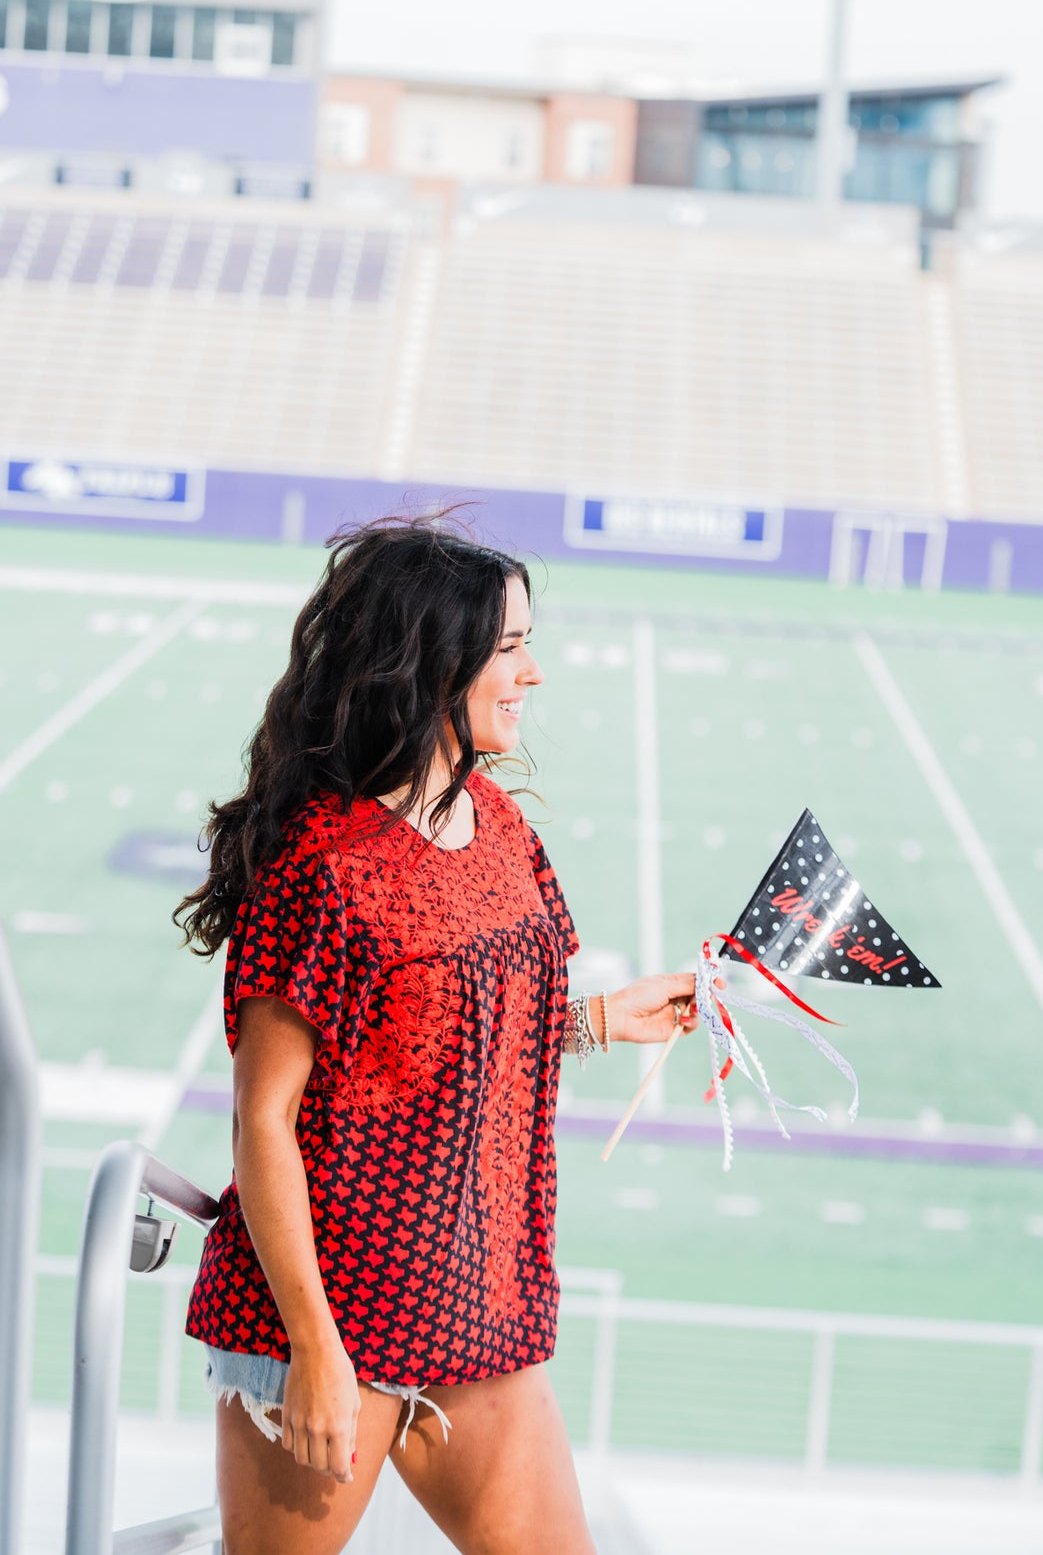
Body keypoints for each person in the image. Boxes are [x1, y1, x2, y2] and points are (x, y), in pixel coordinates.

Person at [175, 515, 704, 1555]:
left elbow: (461, 1037)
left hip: (475, 1305)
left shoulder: (501, 828)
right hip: (333, 1319)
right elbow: (265, 1122)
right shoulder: (321, 867)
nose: (533, 673)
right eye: (509, 648)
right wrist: (316, 1351)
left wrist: (603, 1020)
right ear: (433, 661)